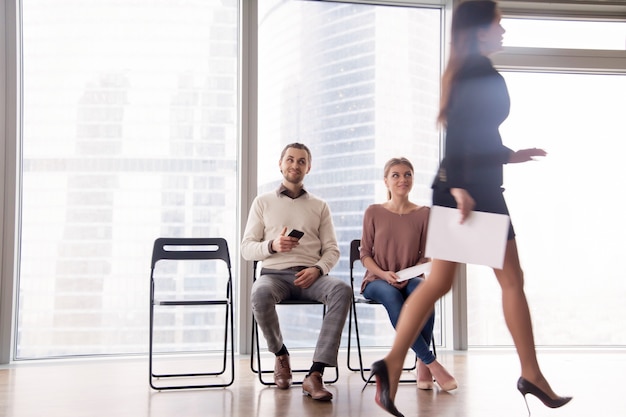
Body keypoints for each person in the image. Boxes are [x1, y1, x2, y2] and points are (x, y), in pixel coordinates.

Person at [365, 2, 572, 416]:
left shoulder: (470, 68)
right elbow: (460, 133)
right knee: (511, 281)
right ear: (479, 29)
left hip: (466, 187)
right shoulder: (477, 71)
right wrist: (458, 185)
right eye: (498, 22)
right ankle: (531, 374)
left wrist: (511, 155)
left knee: (441, 282)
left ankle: (390, 365)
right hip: (471, 192)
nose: (503, 29)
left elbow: (477, 133)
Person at [241, 142, 352, 401]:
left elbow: (333, 250)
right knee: (259, 293)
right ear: (280, 164)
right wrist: (273, 245)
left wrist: (318, 269)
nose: (295, 165)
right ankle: (281, 355)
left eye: (301, 161)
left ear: (309, 168)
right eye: (290, 159)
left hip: (310, 276)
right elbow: (246, 249)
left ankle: (315, 374)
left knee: (342, 290)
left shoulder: (320, 206)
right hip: (273, 276)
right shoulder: (262, 202)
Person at [360, 157, 456, 391]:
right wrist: (384, 274)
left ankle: (422, 363)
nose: (402, 179)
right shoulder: (373, 212)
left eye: (407, 174)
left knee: (424, 292)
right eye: (396, 175)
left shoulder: (424, 213)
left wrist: (409, 275)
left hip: (411, 277)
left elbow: (427, 256)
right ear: (386, 181)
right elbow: (364, 255)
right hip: (377, 280)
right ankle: (431, 363)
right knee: (393, 297)